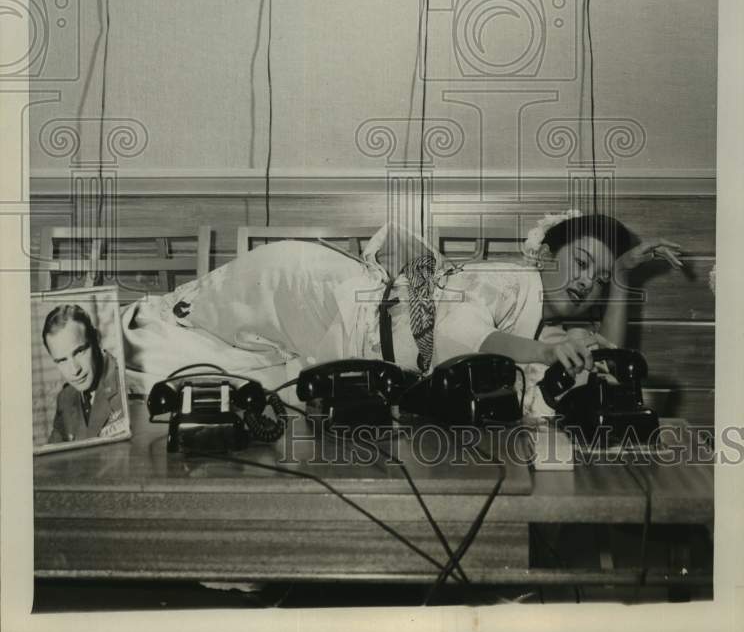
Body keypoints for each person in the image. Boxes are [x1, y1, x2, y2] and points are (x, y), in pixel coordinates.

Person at [120, 215, 683, 412]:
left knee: (222, 373)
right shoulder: (511, 279)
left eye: (601, 279)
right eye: (582, 261)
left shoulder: (548, 325)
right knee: (181, 317)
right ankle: (92, 323)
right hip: (316, 292)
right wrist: (541, 352)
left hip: (341, 342)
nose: (588, 280)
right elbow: (464, 332)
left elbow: (610, 361)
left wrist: (626, 278)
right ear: (547, 255)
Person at [43, 304, 126, 444]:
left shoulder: (125, 383)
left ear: (97, 339)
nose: (75, 370)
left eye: (79, 351)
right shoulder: (65, 399)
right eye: (62, 360)